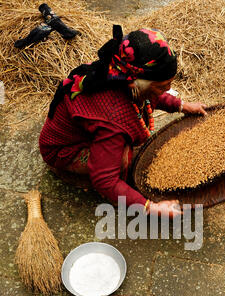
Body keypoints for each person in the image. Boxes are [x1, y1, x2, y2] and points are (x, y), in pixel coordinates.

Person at [39, 25, 207, 217]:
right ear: (138, 83)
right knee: (121, 157)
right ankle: (91, 184)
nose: (168, 88)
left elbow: (152, 94)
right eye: (163, 85)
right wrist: (151, 208)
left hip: (89, 131)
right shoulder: (113, 118)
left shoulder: (121, 73)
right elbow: (105, 180)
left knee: (122, 143)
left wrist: (182, 105)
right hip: (63, 151)